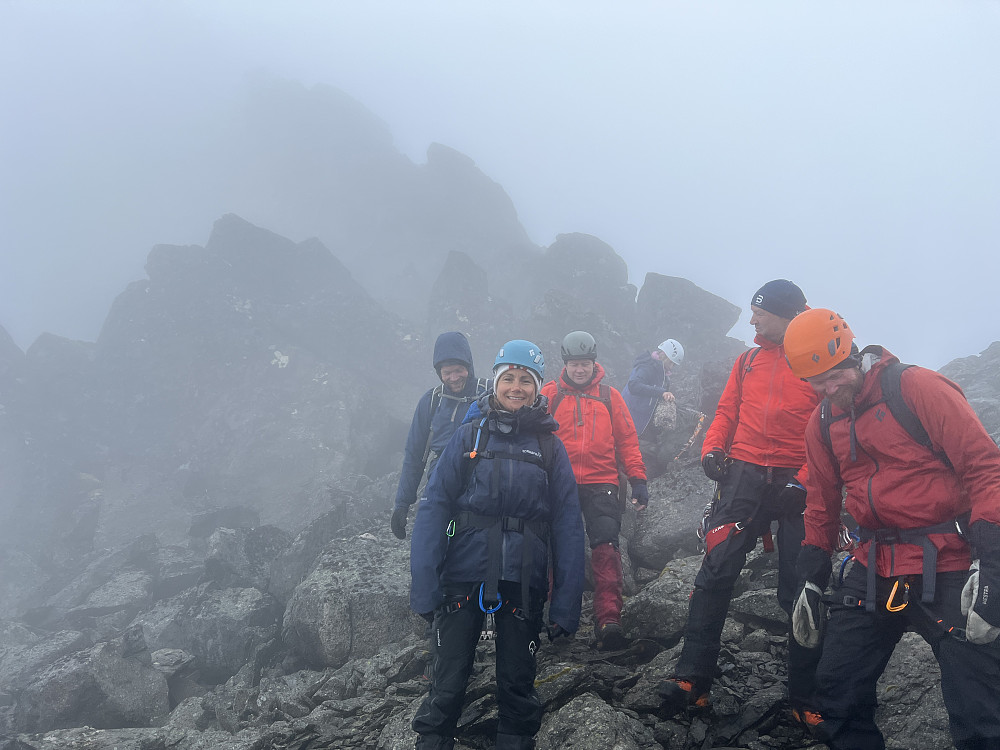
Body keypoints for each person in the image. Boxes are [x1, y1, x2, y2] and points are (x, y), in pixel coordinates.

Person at [783, 308, 1000, 750]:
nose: (827, 390)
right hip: (872, 566)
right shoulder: (822, 422)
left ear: (850, 352)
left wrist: (991, 564)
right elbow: (822, 502)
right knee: (836, 695)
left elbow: (986, 469)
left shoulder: (916, 388)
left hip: (949, 559)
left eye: (833, 376)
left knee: (980, 711)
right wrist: (810, 574)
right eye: (815, 382)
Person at [409, 340, 585, 750]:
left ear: (538, 388)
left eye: (526, 380)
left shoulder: (549, 448)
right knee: (447, 682)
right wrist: (424, 585)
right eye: (509, 378)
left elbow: (568, 526)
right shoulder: (469, 434)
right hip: (462, 575)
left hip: (523, 581)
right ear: (495, 381)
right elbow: (434, 506)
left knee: (518, 687)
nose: (517, 387)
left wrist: (565, 604)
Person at [659, 279, 822, 718]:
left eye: (760, 313)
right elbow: (727, 410)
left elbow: (831, 428)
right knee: (715, 571)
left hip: (797, 478)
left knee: (801, 585)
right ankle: (693, 677)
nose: (751, 319)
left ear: (788, 315)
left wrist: (804, 479)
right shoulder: (748, 360)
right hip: (744, 474)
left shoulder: (815, 359)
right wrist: (712, 447)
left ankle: (806, 697)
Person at [540, 331, 648, 650]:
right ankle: (553, 616)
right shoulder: (550, 394)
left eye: (585, 364)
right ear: (566, 364)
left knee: (606, 547)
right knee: (556, 550)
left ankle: (609, 619)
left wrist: (638, 480)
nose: (579, 370)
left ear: (594, 363)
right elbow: (533, 437)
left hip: (603, 482)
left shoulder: (610, 396)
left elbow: (628, 440)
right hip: (560, 482)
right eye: (574, 364)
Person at [391, 331, 489, 540]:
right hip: (441, 481)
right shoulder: (432, 401)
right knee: (436, 542)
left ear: (469, 366)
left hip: (483, 480)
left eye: (458, 370)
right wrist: (402, 504)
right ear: (439, 373)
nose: (453, 378)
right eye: (447, 372)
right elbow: (415, 455)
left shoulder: (489, 393)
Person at [622, 338, 684, 439]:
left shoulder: (664, 377)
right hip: (627, 421)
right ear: (663, 354)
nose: (671, 367)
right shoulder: (646, 366)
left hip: (642, 428)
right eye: (671, 362)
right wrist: (661, 392)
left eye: (674, 365)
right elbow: (633, 386)